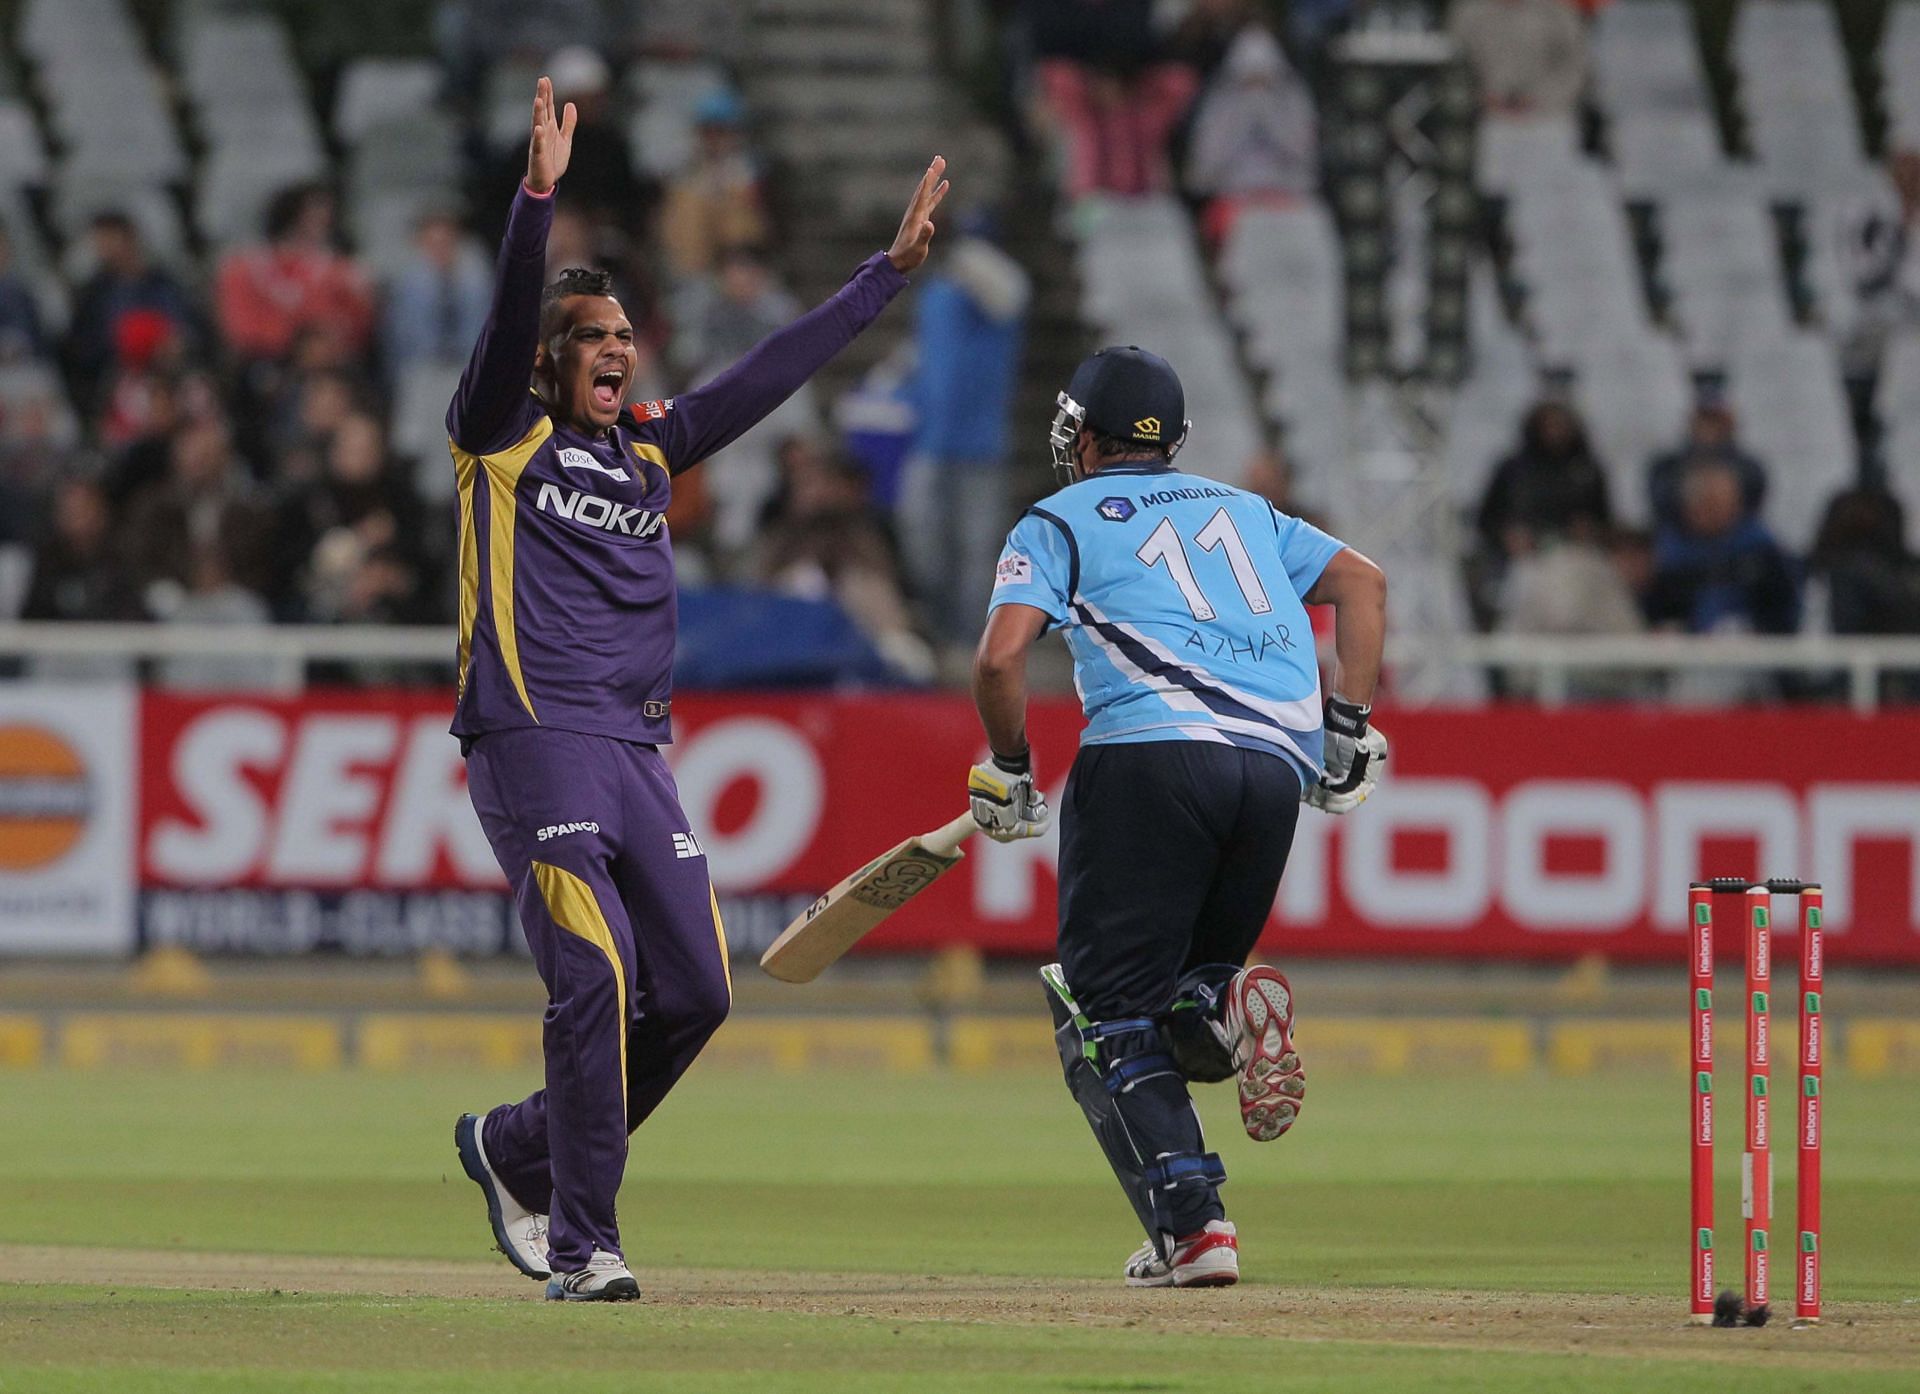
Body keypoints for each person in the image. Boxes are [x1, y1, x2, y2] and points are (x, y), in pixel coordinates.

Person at [449, 77, 949, 1302]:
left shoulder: (654, 447)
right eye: (596, 336)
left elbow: (772, 369)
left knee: (699, 988)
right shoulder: (496, 433)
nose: (618, 348)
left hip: (635, 749)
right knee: (598, 968)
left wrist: (881, 276)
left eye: (626, 334)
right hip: (532, 738)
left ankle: (513, 1146)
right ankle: (584, 1242)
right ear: (550, 359)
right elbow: (515, 313)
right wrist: (537, 199)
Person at [968, 347, 1387, 1288]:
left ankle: (1196, 1229)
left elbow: (1000, 661)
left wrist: (1009, 769)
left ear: (1079, 435)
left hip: (1151, 756)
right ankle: (1225, 1002)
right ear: (1175, 439)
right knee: (1182, 996)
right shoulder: (1244, 510)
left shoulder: (1057, 517)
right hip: (1276, 769)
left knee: (1100, 1007)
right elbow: (1364, 583)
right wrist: (1349, 724)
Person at [898, 210, 1030, 645]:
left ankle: (969, 639)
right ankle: (937, 630)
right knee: (924, 541)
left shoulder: (999, 296)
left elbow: (1010, 294)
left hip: (980, 444)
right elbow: (924, 359)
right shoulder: (937, 295)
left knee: (976, 550)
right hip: (930, 440)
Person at [1645, 457, 1799, 635]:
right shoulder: (1668, 555)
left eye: (1722, 503)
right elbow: (1658, 611)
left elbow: (1785, 611)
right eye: (1706, 504)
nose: (1713, 513)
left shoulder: (1761, 551)